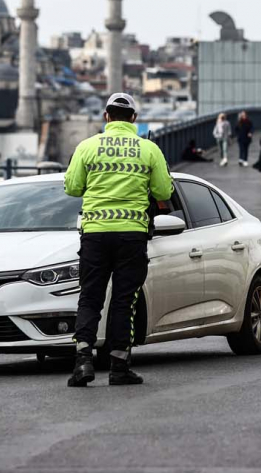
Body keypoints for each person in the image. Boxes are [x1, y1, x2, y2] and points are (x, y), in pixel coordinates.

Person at [63, 92, 174, 386]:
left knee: (90, 298)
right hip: (131, 235)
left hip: (95, 235)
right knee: (125, 301)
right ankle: (119, 366)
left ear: (106, 117)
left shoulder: (87, 147)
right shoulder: (148, 149)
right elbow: (164, 192)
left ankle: (83, 362)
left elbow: (72, 188)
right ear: (134, 119)